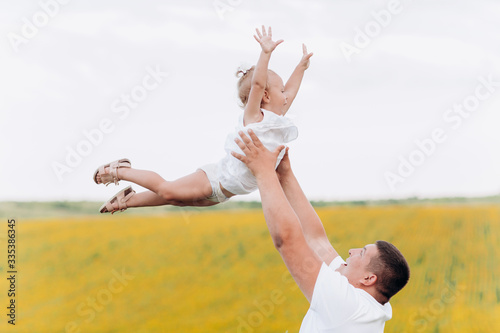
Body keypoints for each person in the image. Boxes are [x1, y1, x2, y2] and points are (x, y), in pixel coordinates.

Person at [93, 26, 313, 213]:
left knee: (174, 199)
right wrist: (266, 54)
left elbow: (291, 91)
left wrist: (301, 67)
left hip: (226, 191)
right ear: (265, 95)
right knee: (168, 189)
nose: (287, 95)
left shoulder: (276, 121)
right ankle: (120, 170)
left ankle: (128, 201)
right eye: (281, 90)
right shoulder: (254, 117)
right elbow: (257, 84)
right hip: (216, 179)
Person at [231, 130, 410, 332]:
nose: (351, 250)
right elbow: (317, 240)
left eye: (361, 252)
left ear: (368, 279)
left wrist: (263, 172)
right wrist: (285, 174)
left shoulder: (349, 307)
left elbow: (287, 240)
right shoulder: (367, 301)